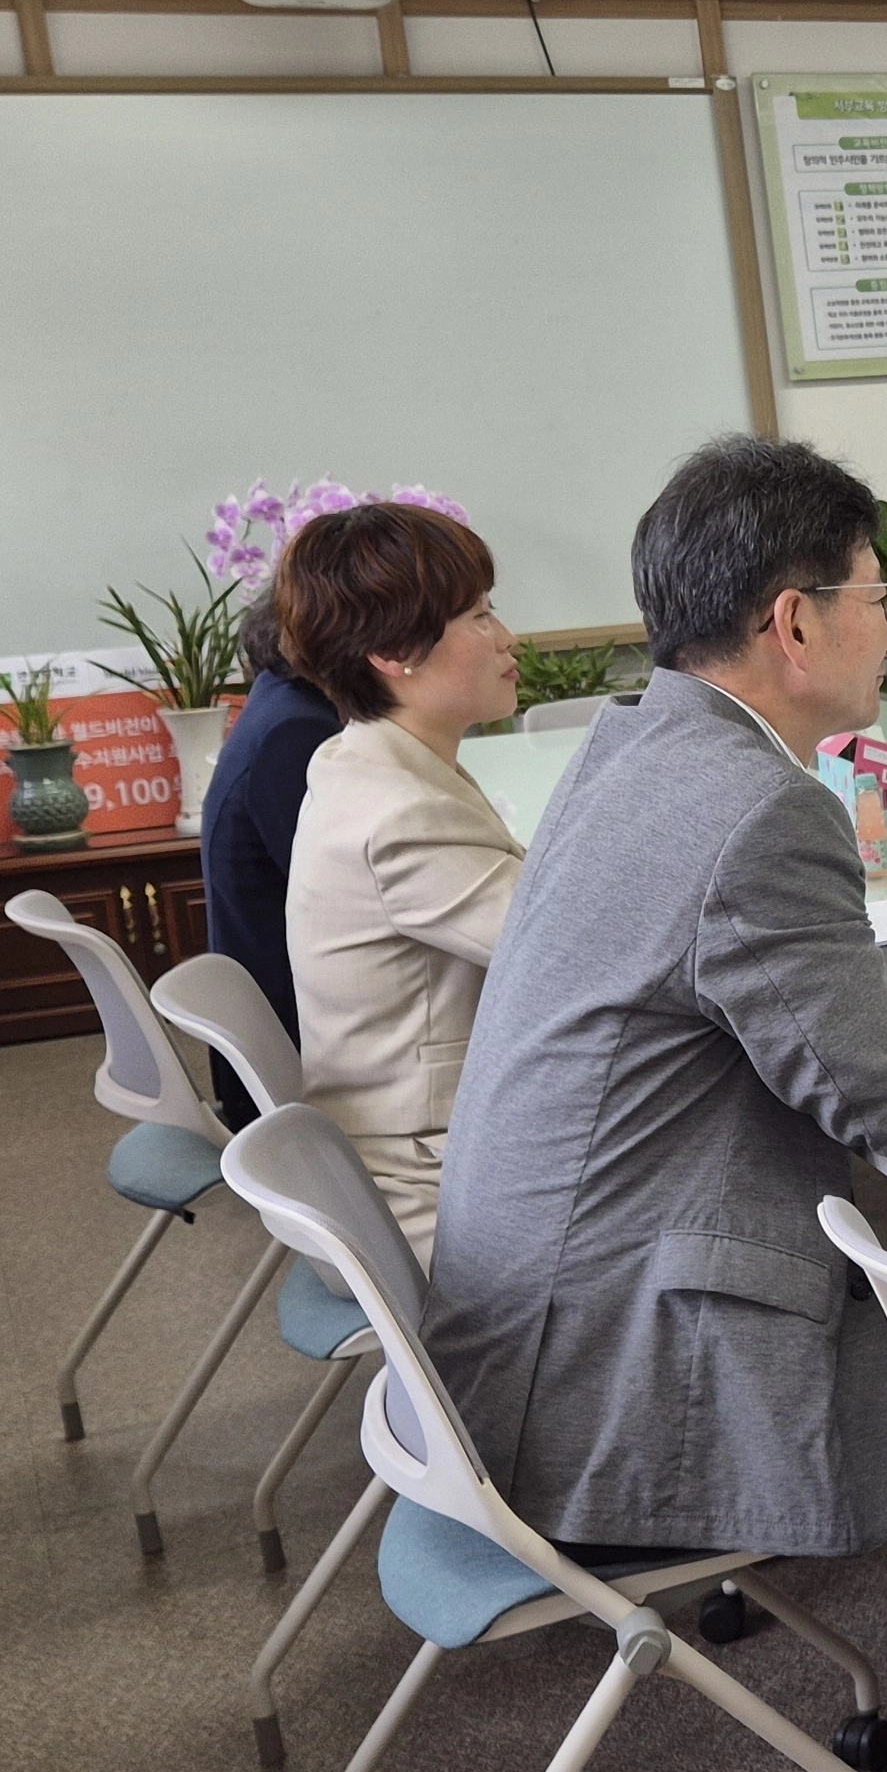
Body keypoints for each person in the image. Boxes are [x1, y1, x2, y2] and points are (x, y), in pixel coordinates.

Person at [426, 436, 887, 1559]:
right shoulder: (760, 808)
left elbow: (818, 1017)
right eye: (876, 598)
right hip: (620, 1385)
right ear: (795, 623)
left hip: (542, 1328)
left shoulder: (634, 746)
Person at [276, 503, 529, 1256]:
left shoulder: (363, 758)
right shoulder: (402, 815)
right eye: (478, 616)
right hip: (424, 1189)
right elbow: (579, 954)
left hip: (429, 1141)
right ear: (393, 651)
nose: (506, 638)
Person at [193, 589, 339, 1120]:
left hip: (270, 1015)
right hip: (295, 1049)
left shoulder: (279, 703)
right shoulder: (298, 729)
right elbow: (344, 898)